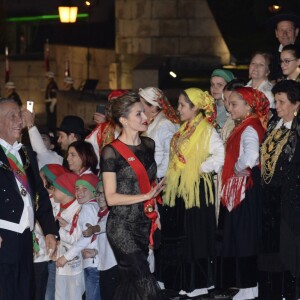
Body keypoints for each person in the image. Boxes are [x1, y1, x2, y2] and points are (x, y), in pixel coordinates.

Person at [158, 88, 224, 298]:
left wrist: (199, 168)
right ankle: (179, 281)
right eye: (178, 105)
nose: (178, 109)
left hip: (197, 190)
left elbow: (220, 155)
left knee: (195, 237)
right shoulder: (182, 129)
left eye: (183, 105)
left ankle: (198, 283)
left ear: (195, 108)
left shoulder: (207, 130)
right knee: (179, 236)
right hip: (178, 189)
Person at [100, 93, 165, 299]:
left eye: (143, 112)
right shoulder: (111, 152)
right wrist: (146, 195)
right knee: (145, 281)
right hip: (121, 227)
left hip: (143, 224)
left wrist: (156, 214)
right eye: (138, 114)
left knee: (131, 286)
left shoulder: (149, 145)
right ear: (123, 120)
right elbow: (111, 198)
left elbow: (151, 182)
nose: (144, 117)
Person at [0, 98, 57, 300]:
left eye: (20, 115)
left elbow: (40, 194)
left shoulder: (25, 152)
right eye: (12, 116)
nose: (19, 121)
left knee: (25, 292)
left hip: (26, 237)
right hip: (3, 237)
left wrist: (50, 230)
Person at [217, 87, 269, 300]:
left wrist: (237, 168)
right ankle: (248, 285)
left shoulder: (249, 128)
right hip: (246, 186)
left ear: (249, 106)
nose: (229, 109)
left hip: (246, 188)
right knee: (243, 235)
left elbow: (250, 157)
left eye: (234, 104)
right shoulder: (249, 125)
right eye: (229, 104)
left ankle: (249, 286)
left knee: (244, 235)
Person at [259, 80, 300, 300]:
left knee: (287, 247)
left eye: (282, 102)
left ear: (296, 104)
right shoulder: (274, 123)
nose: (277, 106)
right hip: (268, 197)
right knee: (269, 248)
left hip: (289, 197)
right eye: (276, 101)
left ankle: (290, 292)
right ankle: (271, 292)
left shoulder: (297, 130)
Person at [56, 173, 100, 300]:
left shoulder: (87, 207)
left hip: (92, 263)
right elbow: (85, 232)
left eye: (84, 189)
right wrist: (68, 227)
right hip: (93, 262)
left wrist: (66, 257)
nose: (79, 192)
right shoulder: (93, 206)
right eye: (77, 188)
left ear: (93, 191)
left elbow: (86, 237)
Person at [82, 181, 119, 300]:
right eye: (98, 193)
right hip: (104, 265)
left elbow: (105, 225)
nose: (100, 197)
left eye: (103, 193)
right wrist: (96, 252)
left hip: (114, 265)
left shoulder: (115, 212)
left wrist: (94, 229)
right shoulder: (99, 212)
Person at [53, 172, 84, 300]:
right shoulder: (59, 207)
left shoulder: (79, 209)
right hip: (61, 263)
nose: (52, 192)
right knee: (60, 296)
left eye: (55, 189)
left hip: (74, 264)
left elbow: (78, 238)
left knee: (74, 296)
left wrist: (58, 230)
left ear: (65, 191)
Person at [139, 87, 180, 179]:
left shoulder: (164, 124)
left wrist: (157, 174)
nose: (139, 109)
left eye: (141, 106)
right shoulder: (151, 123)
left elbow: (171, 152)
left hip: (160, 180)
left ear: (153, 107)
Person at [85, 89, 128, 166]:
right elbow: (88, 149)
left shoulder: (136, 129)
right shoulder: (103, 128)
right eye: (111, 104)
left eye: (118, 104)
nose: (113, 108)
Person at [267, 13, 300, 82]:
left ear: (296, 32)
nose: (285, 34)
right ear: (276, 33)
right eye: (281, 30)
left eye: (289, 30)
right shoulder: (270, 55)